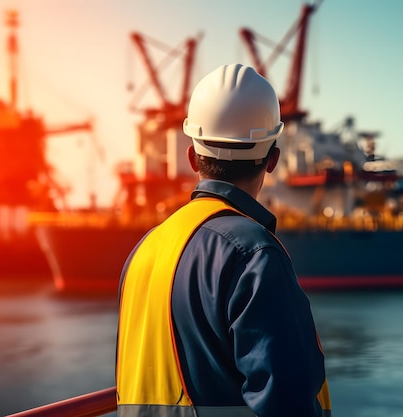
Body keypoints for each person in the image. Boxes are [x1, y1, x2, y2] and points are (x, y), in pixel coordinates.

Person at [115, 63, 331, 417]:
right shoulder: (254, 254)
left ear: (192, 157)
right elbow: (287, 400)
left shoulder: (145, 249)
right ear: (272, 160)